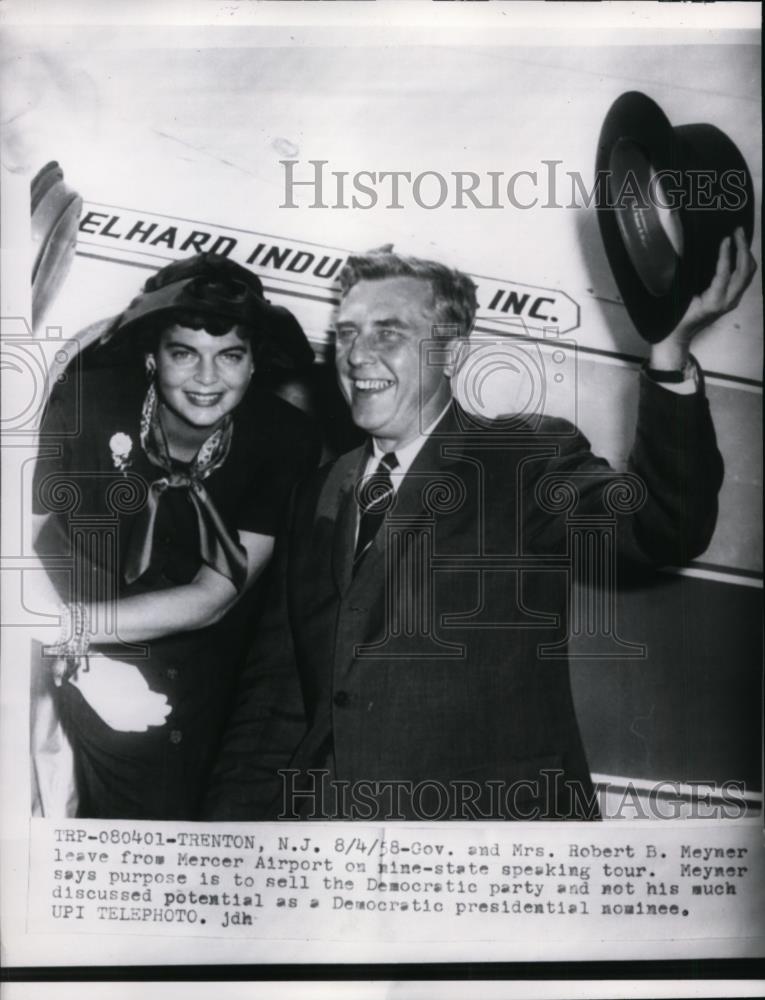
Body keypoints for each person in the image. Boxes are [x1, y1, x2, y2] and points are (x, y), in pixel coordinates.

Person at [203, 231, 755, 822]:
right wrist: (227, 851)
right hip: (335, 856)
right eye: (347, 332)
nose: (357, 354)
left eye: (388, 332)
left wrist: (669, 351)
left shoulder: (523, 457)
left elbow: (663, 526)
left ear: (453, 352)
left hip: (489, 853)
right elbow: (273, 705)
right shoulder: (317, 492)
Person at [31, 252, 320, 820]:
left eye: (230, 355)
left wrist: (77, 641)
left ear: (255, 362)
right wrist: (79, 657)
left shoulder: (285, 439)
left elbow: (215, 596)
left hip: (200, 664)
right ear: (150, 356)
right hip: (56, 623)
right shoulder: (85, 403)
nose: (208, 379)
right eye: (184, 353)